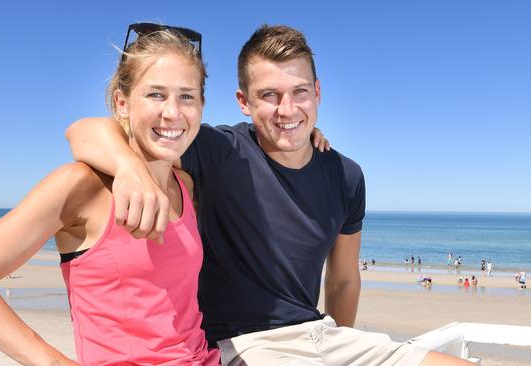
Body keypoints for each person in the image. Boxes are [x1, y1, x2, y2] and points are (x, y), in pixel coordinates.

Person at [67, 24, 469, 365]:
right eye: (269, 95)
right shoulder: (220, 151)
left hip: (323, 336)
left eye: (299, 92)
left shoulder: (347, 175)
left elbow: (344, 280)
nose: (287, 109)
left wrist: (338, 347)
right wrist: (128, 167)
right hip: (245, 344)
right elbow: (84, 131)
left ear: (318, 92)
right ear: (243, 102)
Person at [0, 23, 221, 365]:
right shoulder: (82, 186)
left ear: (202, 106)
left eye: (186, 96)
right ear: (122, 103)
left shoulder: (185, 186)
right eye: (155, 94)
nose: (172, 112)